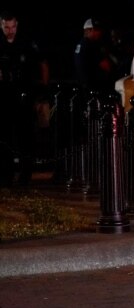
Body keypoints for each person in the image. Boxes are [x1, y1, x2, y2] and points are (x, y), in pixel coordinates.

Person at [0, 10, 49, 185]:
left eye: (12, 26)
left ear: (17, 25)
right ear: (1, 25)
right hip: (5, 96)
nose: (10, 30)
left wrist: (42, 91)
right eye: (6, 27)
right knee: (4, 136)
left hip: (25, 95)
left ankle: (25, 175)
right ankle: (5, 175)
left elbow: (43, 63)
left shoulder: (26, 42)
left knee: (25, 136)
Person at [74, 18, 115, 93]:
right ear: (88, 30)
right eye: (96, 30)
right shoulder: (90, 45)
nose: (99, 33)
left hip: (83, 86)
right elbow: (107, 66)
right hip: (94, 87)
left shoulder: (81, 43)